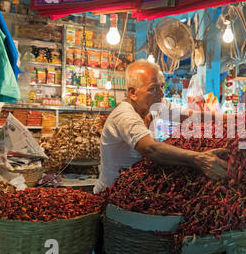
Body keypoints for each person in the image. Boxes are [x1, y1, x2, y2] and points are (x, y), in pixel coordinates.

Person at [94, 60, 230, 193]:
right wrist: (198, 159)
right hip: (112, 195)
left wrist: (233, 119)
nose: (161, 93)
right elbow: (151, 149)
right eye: (153, 88)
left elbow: (192, 116)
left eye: (162, 86)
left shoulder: (156, 106)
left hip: (137, 189)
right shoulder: (124, 116)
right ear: (133, 93)